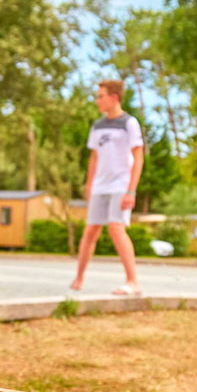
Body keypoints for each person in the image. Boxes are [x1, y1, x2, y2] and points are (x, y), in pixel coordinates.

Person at [70, 80, 144, 295]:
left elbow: (138, 156)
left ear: (114, 98)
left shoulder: (129, 123)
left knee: (115, 227)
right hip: (100, 186)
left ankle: (133, 281)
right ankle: (79, 277)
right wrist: (89, 183)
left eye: (100, 96)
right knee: (91, 230)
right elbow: (94, 157)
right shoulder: (97, 126)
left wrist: (131, 189)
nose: (97, 100)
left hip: (121, 183)